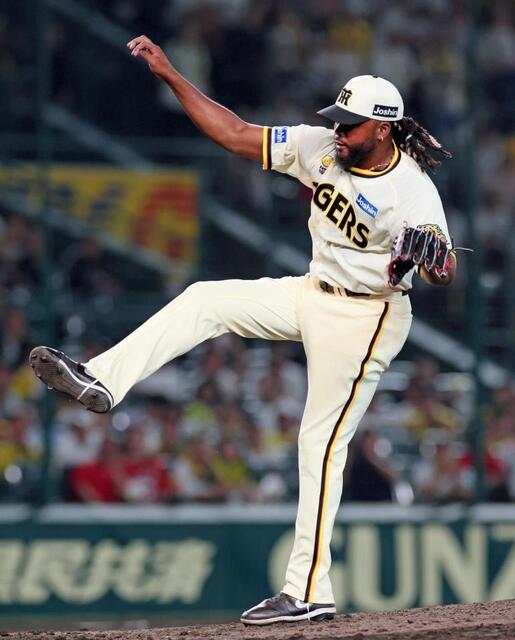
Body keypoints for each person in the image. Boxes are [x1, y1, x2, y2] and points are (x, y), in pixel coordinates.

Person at [29, 35, 457, 626]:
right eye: (336, 119)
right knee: (206, 299)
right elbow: (234, 133)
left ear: (383, 130)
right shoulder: (320, 147)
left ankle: (308, 590)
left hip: (368, 316)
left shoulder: (412, 190)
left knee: (320, 444)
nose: (337, 131)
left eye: (350, 125)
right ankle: (101, 380)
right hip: (313, 291)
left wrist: (434, 259)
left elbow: (442, 269)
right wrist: (171, 74)